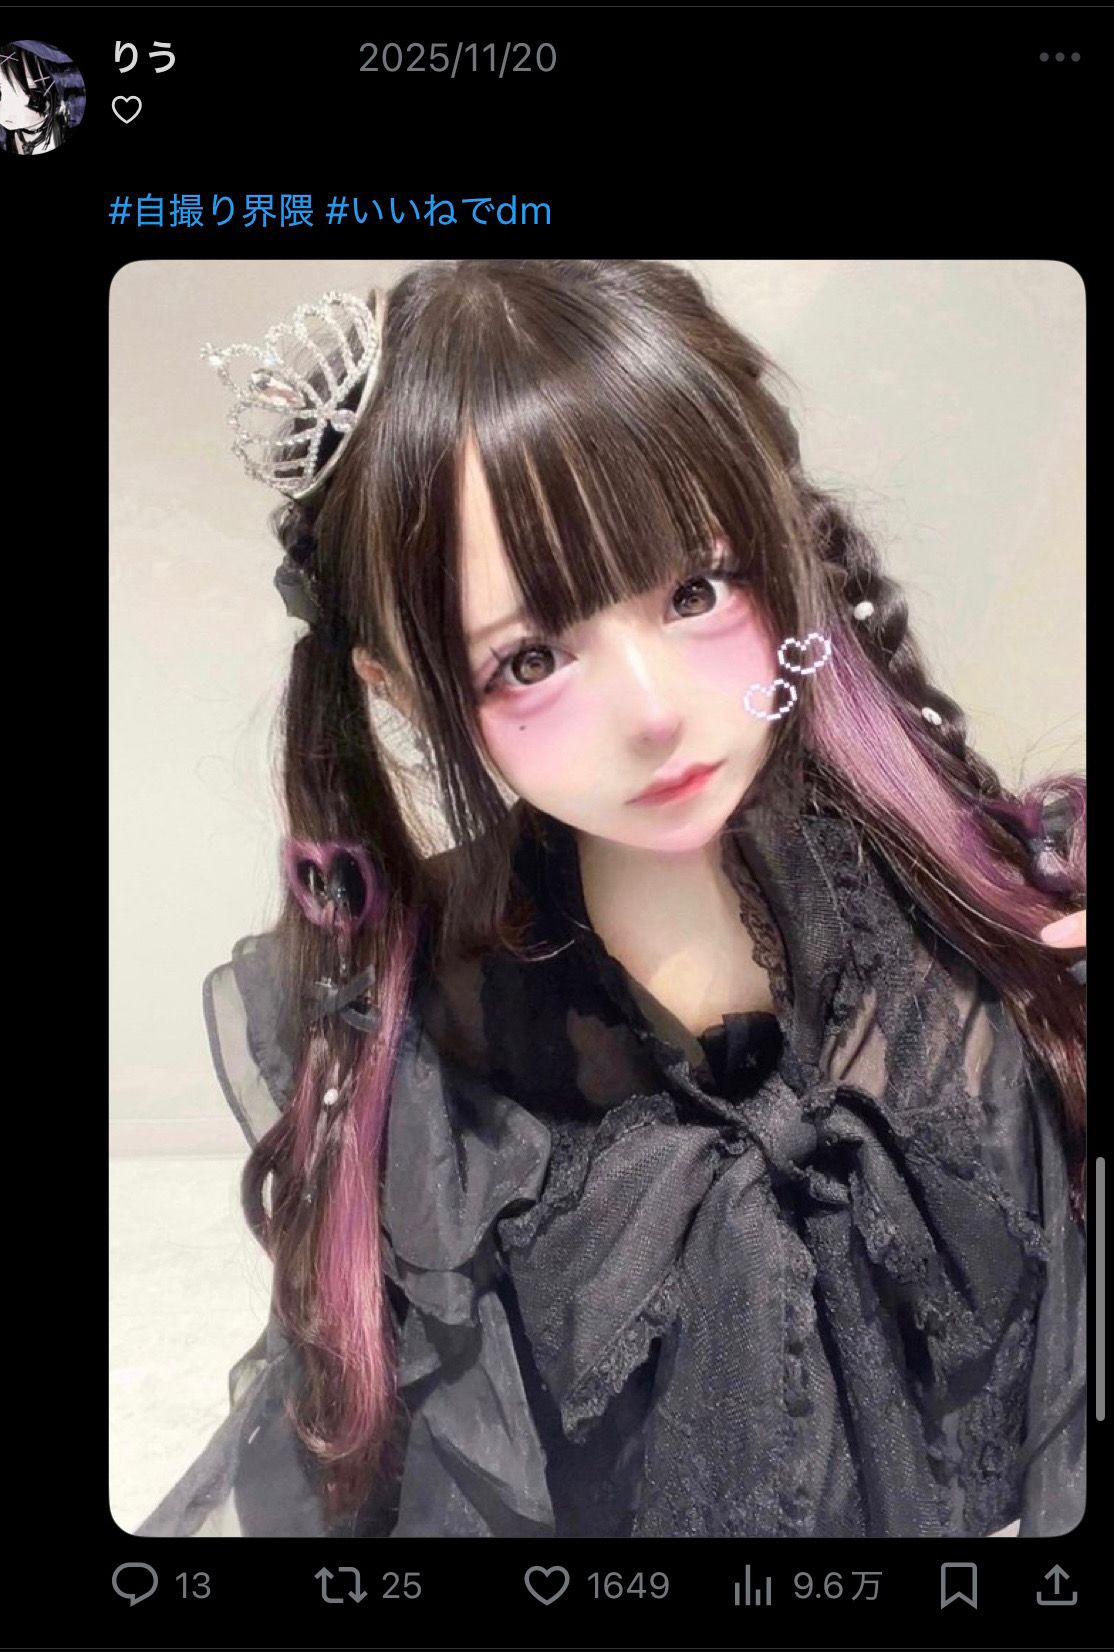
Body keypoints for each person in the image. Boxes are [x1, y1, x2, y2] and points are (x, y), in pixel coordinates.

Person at [137, 260, 1086, 1539]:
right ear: (400, 686)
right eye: (531, 657)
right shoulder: (433, 1075)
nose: (653, 711)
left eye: (696, 590)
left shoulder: (987, 917)